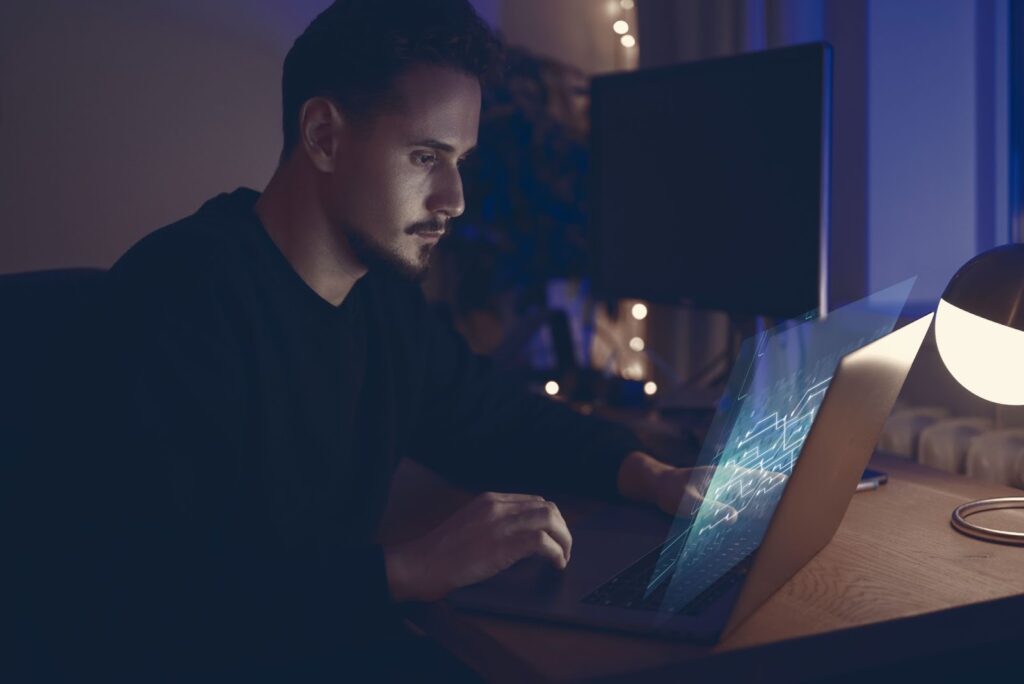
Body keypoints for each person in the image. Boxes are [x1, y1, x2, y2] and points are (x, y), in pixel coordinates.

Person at [13, 0, 717, 680]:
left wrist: (647, 474)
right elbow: (142, 599)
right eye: (423, 157)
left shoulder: (380, 301)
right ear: (322, 135)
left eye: (459, 161)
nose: (454, 199)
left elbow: (495, 417)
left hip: (328, 647)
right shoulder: (178, 299)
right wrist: (406, 570)